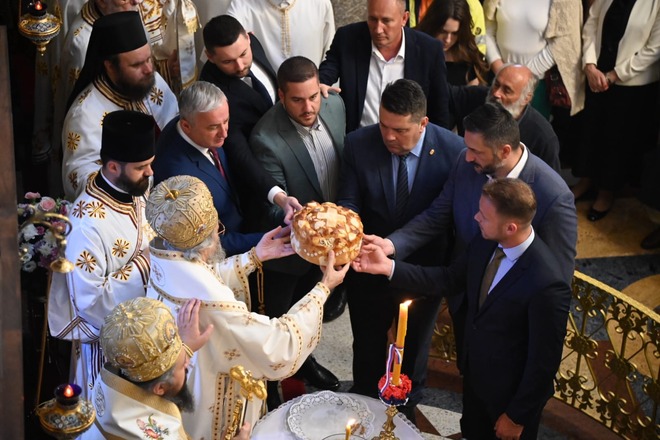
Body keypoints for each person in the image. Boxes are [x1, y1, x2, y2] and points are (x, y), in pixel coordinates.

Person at [368, 102, 576, 381]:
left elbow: (557, 281)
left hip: (511, 324)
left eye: (476, 151)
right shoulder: (466, 162)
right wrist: (391, 245)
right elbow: (438, 214)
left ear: (504, 151)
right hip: (463, 297)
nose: (467, 157)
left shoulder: (553, 196)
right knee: (471, 376)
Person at [353, 178, 572, 440]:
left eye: (484, 216)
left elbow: (543, 362)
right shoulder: (487, 241)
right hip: (475, 377)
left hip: (508, 398)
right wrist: (388, 267)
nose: (476, 217)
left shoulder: (547, 283)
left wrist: (517, 416)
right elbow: (448, 279)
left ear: (511, 227)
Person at [145, 175, 350, 438]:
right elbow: (278, 343)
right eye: (218, 230)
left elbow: (205, 277)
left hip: (188, 382)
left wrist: (254, 257)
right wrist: (323, 289)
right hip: (212, 396)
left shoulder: (164, 260)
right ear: (208, 239)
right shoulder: (211, 298)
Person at [337, 78, 464, 421]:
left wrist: (393, 246)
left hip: (423, 267)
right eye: (384, 126)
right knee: (367, 340)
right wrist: (355, 233)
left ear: (423, 123)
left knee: (416, 343)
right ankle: (365, 401)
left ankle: (406, 407)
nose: (389, 137)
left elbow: (440, 215)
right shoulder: (359, 144)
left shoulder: (453, 151)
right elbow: (349, 200)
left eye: (400, 130)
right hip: (367, 264)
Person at [249, 55, 346, 394]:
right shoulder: (265, 137)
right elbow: (272, 206)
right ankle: (280, 383)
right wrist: (302, 224)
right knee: (284, 316)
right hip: (291, 250)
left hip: (333, 240)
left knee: (314, 310)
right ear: (281, 95)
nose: (309, 107)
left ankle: (307, 361)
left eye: (313, 96)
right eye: (297, 100)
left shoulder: (335, 106)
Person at [48, 110, 157, 398]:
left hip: (147, 332)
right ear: (112, 167)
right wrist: (146, 264)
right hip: (107, 350)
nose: (149, 173)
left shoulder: (135, 187)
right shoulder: (86, 225)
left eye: (150, 164)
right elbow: (91, 302)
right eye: (142, 167)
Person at [152, 81, 298, 256]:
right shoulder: (176, 177)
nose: (224, 133)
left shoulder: (202, 121)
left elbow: (242, 160)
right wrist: (272, 239)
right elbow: (208, 243)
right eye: (213, 127)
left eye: (226, 121)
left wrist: (280, 198)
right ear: (186, 126)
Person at [81, 297, 255, 439]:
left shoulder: (109, 381)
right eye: (182, 365)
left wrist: (183, 348)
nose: (187, 363)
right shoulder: (162, 433)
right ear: (160, 388)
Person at [61, 11, 178, 200]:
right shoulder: (84, 114)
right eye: (136, 65)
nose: (148, 69)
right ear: (110, 66)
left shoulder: (150, 80)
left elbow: (175, 127)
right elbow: (79, 177)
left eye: (149, 59)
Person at [571, 0, 660, 221]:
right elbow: (591, 24)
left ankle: (606, 192)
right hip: (596, 76)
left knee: (617, 141)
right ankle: (585, 181)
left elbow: (654, 48)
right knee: (589, 131)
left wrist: (614, 75)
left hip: (631, 84)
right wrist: (590, 65)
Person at [318, 0, 451, 132]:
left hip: (409, 143)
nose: (378, 29)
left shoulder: (429, 50)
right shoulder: (348, 38)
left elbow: (440, 111)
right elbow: (327, 72)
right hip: (358, 140)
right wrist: (318, 86)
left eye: (386, 21)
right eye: (373, 19)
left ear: (404, 18)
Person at [448, 64, 561, 171]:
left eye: (507, 90)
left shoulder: (542, 137)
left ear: (526, 98)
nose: (496, 93)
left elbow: (550, 181)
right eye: (496, 85)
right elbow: (444, 93)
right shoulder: (477, 97)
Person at [483, 0, 585, 117]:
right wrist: (499, 68)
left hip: (535, 84)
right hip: (497, 78)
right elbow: (485, 30)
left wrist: (523, 77)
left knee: (529, 127)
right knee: (491, 125)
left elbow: (563, 42)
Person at [200, 15, 278, 143]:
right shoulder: (210, 93)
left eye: (243, 54)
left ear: (248, 38)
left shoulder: (254, 42)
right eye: (228, 61)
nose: (240, 66)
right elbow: (236, 146)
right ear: (210, 57)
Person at [227, 0, 336, 71]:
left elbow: (330, 51)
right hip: (265, 94)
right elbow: (227, 40)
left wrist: (324, 86)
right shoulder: (241, 5)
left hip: (311, 92)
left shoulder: (320, 3)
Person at [415, 0, 488, 86]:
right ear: (432, 25)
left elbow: (472, 91)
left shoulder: (468, 58)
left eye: (454, 33)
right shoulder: (413, 45)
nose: (448, 40)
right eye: (443, 32)